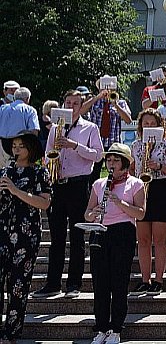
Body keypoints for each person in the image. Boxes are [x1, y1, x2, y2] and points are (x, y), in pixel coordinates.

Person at [33, 89, 104, 299]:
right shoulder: (56, 128)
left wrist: (74, 146)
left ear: (81, 106)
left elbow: (98, 155)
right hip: (58, 184)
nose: (71, 106)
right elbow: (47, 155)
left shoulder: (90, 127)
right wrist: (49, 160)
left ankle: (74, 284)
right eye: (68, 102)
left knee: (77, 236)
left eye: (75, 103)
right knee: (56, 237)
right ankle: (52, 283)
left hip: (78, 184)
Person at [84, 143, 145, 344]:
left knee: (119, 282)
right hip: (100, 232)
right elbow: (87, 213)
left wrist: (119, 202)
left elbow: (140, 213)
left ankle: (116, 329)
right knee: (100, 282)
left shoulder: (136, 184)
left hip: (123, 232)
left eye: (116, 160)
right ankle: (101, 328)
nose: (111, 163)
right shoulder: (99, 184)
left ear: (125, 163)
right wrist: (94, 214)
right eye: (109, 159)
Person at [0, 131, 51, 343]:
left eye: (20, 146)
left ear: (30, 148)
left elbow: (44, 202)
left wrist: (15, 190)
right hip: (3, 231)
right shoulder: (5, 171)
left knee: (18, 284)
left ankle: (12, 331)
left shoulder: (39, 172)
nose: (16, 150)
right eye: (14, 146)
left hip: (26, 234)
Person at [129, 109, 166, 297]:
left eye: (152, 123)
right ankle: (144, 279)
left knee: (159, 239)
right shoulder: (135, 144)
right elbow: (132, 168)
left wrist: (158, 166)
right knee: (142, 239)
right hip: (142, 189)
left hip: (162, 189)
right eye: (145, 124)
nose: (148, 126)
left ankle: (159, 279)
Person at [83, 84, 133, 183]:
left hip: (112, 142)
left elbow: (128, 120)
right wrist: (97, 97)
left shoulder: (121, 103)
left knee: (115, 171)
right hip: (96, 142)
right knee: (93, 172)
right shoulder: (94, 101)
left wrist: (115, 105)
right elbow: (81, 111)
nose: (107, 89)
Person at [0, 87, 40, 166]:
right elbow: (34, 131)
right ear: (27, 99)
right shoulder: (30, 110)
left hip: (1, 145)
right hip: (20, 146)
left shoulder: (2, 108)